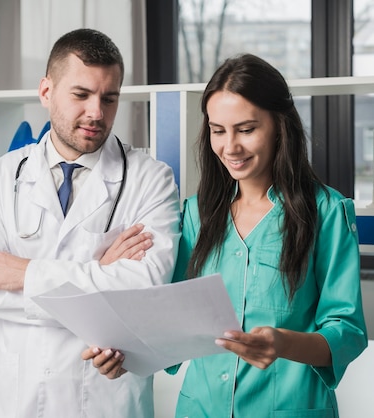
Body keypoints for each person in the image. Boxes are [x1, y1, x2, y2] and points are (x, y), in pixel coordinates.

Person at [83, 53, 368, 417]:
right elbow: (167, 323)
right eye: (218, 130)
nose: (230, 147)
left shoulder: (327, 213)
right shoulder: (195, 215)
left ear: (280, 126)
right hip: (200, 408)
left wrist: (282, 343)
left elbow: (347, 330)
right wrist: (124, 357)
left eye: (246, 129)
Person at [0, 28, 181, 417]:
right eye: (81, 95)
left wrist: (24, 273)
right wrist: (100, 275)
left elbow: (146, 288)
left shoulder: (151, 179)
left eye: (109, 98)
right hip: (17, 398)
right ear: (46, 91)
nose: (96, 112)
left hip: (105, 399)